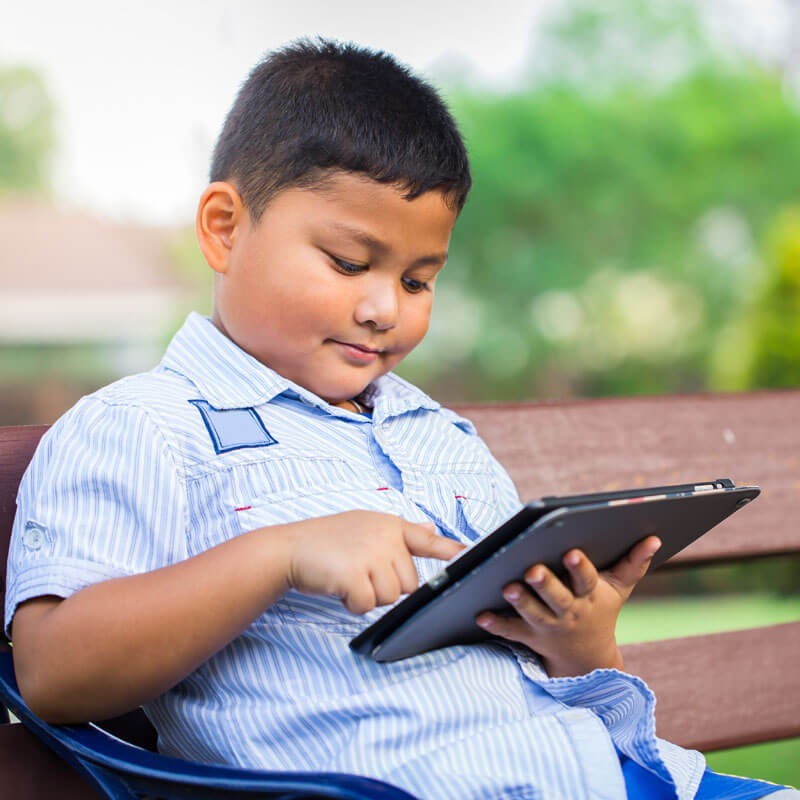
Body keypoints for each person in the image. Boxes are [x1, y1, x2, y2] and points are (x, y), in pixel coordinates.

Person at [5, 39, 795, 800]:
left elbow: (537, 675)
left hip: (622, 777)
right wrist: (281, 554)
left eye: (418, 281)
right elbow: (52, 672)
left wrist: (577, 639)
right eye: (349, 264)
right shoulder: (142, 427)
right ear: (223, 228)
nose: (384, 308)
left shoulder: (439, 435)